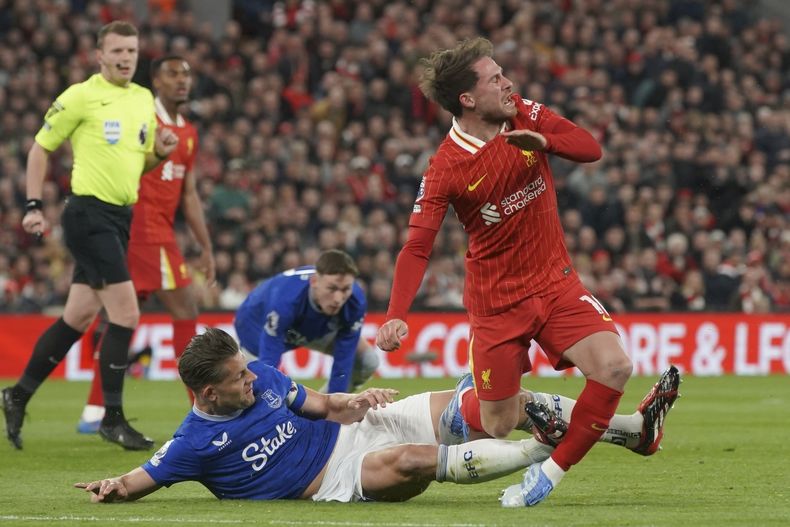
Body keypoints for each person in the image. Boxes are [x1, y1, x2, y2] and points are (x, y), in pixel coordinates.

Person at [376, 37, 634, 506]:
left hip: (555, 282)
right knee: (496, 422)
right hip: (498, 302)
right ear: (468, 99)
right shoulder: (446, 167)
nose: (508, 83)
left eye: (503, 73)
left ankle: (549, 471)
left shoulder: (525, 114)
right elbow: (417, 246)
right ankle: (469, 394)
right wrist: (396, 313)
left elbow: (589, 147)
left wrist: (546, 142)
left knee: (615, 366)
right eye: (495, 79)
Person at [74, 328, 679, 504]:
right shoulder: (192, 443)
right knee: (414, 461)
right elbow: (137, 481)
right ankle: (544, 450)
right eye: (238, 379)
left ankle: (634, 431)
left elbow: (321, 405)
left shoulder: (263, 379)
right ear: (207, 395)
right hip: (334, 479)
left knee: (496, 406)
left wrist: (355, 402)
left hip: (358, 427)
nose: (252, 379)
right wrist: (112, 488)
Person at [1, 21, 178, 451]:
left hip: (120, 217)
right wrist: (33, 205)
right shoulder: (80, 95)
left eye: (131, 51)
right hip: (87, 214)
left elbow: (139, 164)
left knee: (78, 317)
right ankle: (111, 418)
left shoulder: (143, 99)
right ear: (100, 56)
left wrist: (160, 153)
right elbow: (40, 148)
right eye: (117, 51)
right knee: (126, 314)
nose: (125, 58)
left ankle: (17, 395)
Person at [77, 55, 216, 433]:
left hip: (158, 233)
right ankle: (201, 410)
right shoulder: (140, 117)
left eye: (186, 74)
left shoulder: (188, 132)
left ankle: (94, 411)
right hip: (140, 228)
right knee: (184, 309)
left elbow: (189, 194)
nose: (181, 80)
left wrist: (205, 246)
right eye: (172, 74)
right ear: (155, 80)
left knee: (123, 317)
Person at [233, 249, 379, 393]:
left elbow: (344, 357)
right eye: (332, 288)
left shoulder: (355, 301)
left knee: (368, 361)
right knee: (256, 387)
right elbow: (269, 359)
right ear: (314, 281)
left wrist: (334, 404)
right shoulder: (286, 300)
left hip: (314, 326)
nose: (338, 299)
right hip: (255, 324)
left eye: (345, 289)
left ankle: (323, 405)